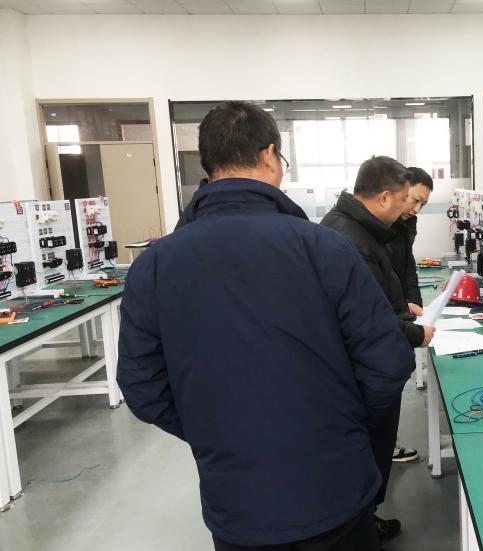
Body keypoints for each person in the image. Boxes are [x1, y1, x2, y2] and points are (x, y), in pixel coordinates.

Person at [117, 101, 414, 551]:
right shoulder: (324, 248)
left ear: (208, 163)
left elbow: (141, 385)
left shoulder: (154, 265)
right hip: (334, 487)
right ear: (269, 155)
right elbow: (388, 360)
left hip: (237, 504)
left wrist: (213, 430)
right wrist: (345, 424)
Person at [320, 156, 435, 542]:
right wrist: (414, 334)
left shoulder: (363, 230)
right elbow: (367, 317)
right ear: (385, 197)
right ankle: (361, 530)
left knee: (372, 452)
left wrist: (405, 310)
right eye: (406, 199)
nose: (408, 210)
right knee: (366, 453)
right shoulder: (352, 238)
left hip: (371, 364)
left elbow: (386, 289)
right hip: (363, 370)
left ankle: (365, 522)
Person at [386, 166, 434, 464]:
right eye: (414, 200)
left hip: (399, 311)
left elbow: (406, 267)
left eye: (423, 204)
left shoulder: (406, 223)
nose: (416, 209)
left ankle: (386, 446)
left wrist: (412, 303)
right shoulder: (381, 227)